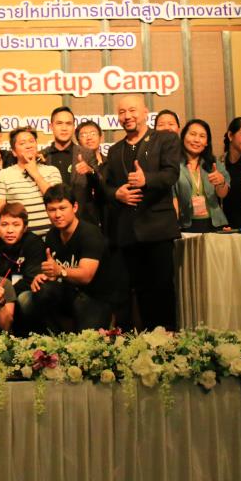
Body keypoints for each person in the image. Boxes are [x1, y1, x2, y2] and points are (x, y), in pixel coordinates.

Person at [100, 94, 180, 331]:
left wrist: (147, 180)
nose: (127, 116)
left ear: (145, 112)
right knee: (137, 294)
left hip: (158, 230)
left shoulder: (165, 139)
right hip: (128, 234)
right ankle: (143, 344)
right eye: (122, 112)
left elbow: (171, 174)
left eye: (132, 110)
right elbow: (107, 187)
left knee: (162, 291)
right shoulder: (115, 150)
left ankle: (166, 342)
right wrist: (117, 194)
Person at [33, 185, 115, 332]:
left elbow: (86, 276)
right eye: (52, 210)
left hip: (95, 297)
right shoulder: (52, 235)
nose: (57, 214)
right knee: (40, 291)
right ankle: (54, 339)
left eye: (62, 208)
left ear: (75, 207)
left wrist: (60, 271)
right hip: (69, 294)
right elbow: (54, 273)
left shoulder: (90, 233)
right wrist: (44, 277)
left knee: (87, 341)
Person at [0, 126, 63, 237]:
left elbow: (56, 201)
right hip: (20, 238)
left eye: (31, 141)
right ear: (14, 152)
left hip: (52, 235)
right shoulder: (4, 175)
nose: (29, 145)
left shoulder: (52, 171)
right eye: (22, 143)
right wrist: (3, 230)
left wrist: (35, 174)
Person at [0, 203, 48, 335]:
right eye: (4, 225)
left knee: (24, 299)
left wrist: (6, 296)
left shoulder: (34, 244)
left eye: (16, 225)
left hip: (24, 295)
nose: (9, 230)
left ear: (25, 227)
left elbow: (31, 280)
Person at [42, 106, 101, 225]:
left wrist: (90, 171)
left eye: (68, 124)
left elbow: (101, 184)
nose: (64, 128)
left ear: (74, 127)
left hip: (82, 221)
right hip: (51, 222)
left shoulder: (86, 153)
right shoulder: (43, 156)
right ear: (51, 126)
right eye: (59, 123)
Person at [173, 119, 229, 233]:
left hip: (214, 223)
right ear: (183, 137)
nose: (197, 140)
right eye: (193, 134)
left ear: (207, 142)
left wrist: (221, 182)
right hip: (186, 224)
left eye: (202, 136)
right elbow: (173, 198)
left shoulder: (214, 163)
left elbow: (222, 194)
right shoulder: (174, 165)